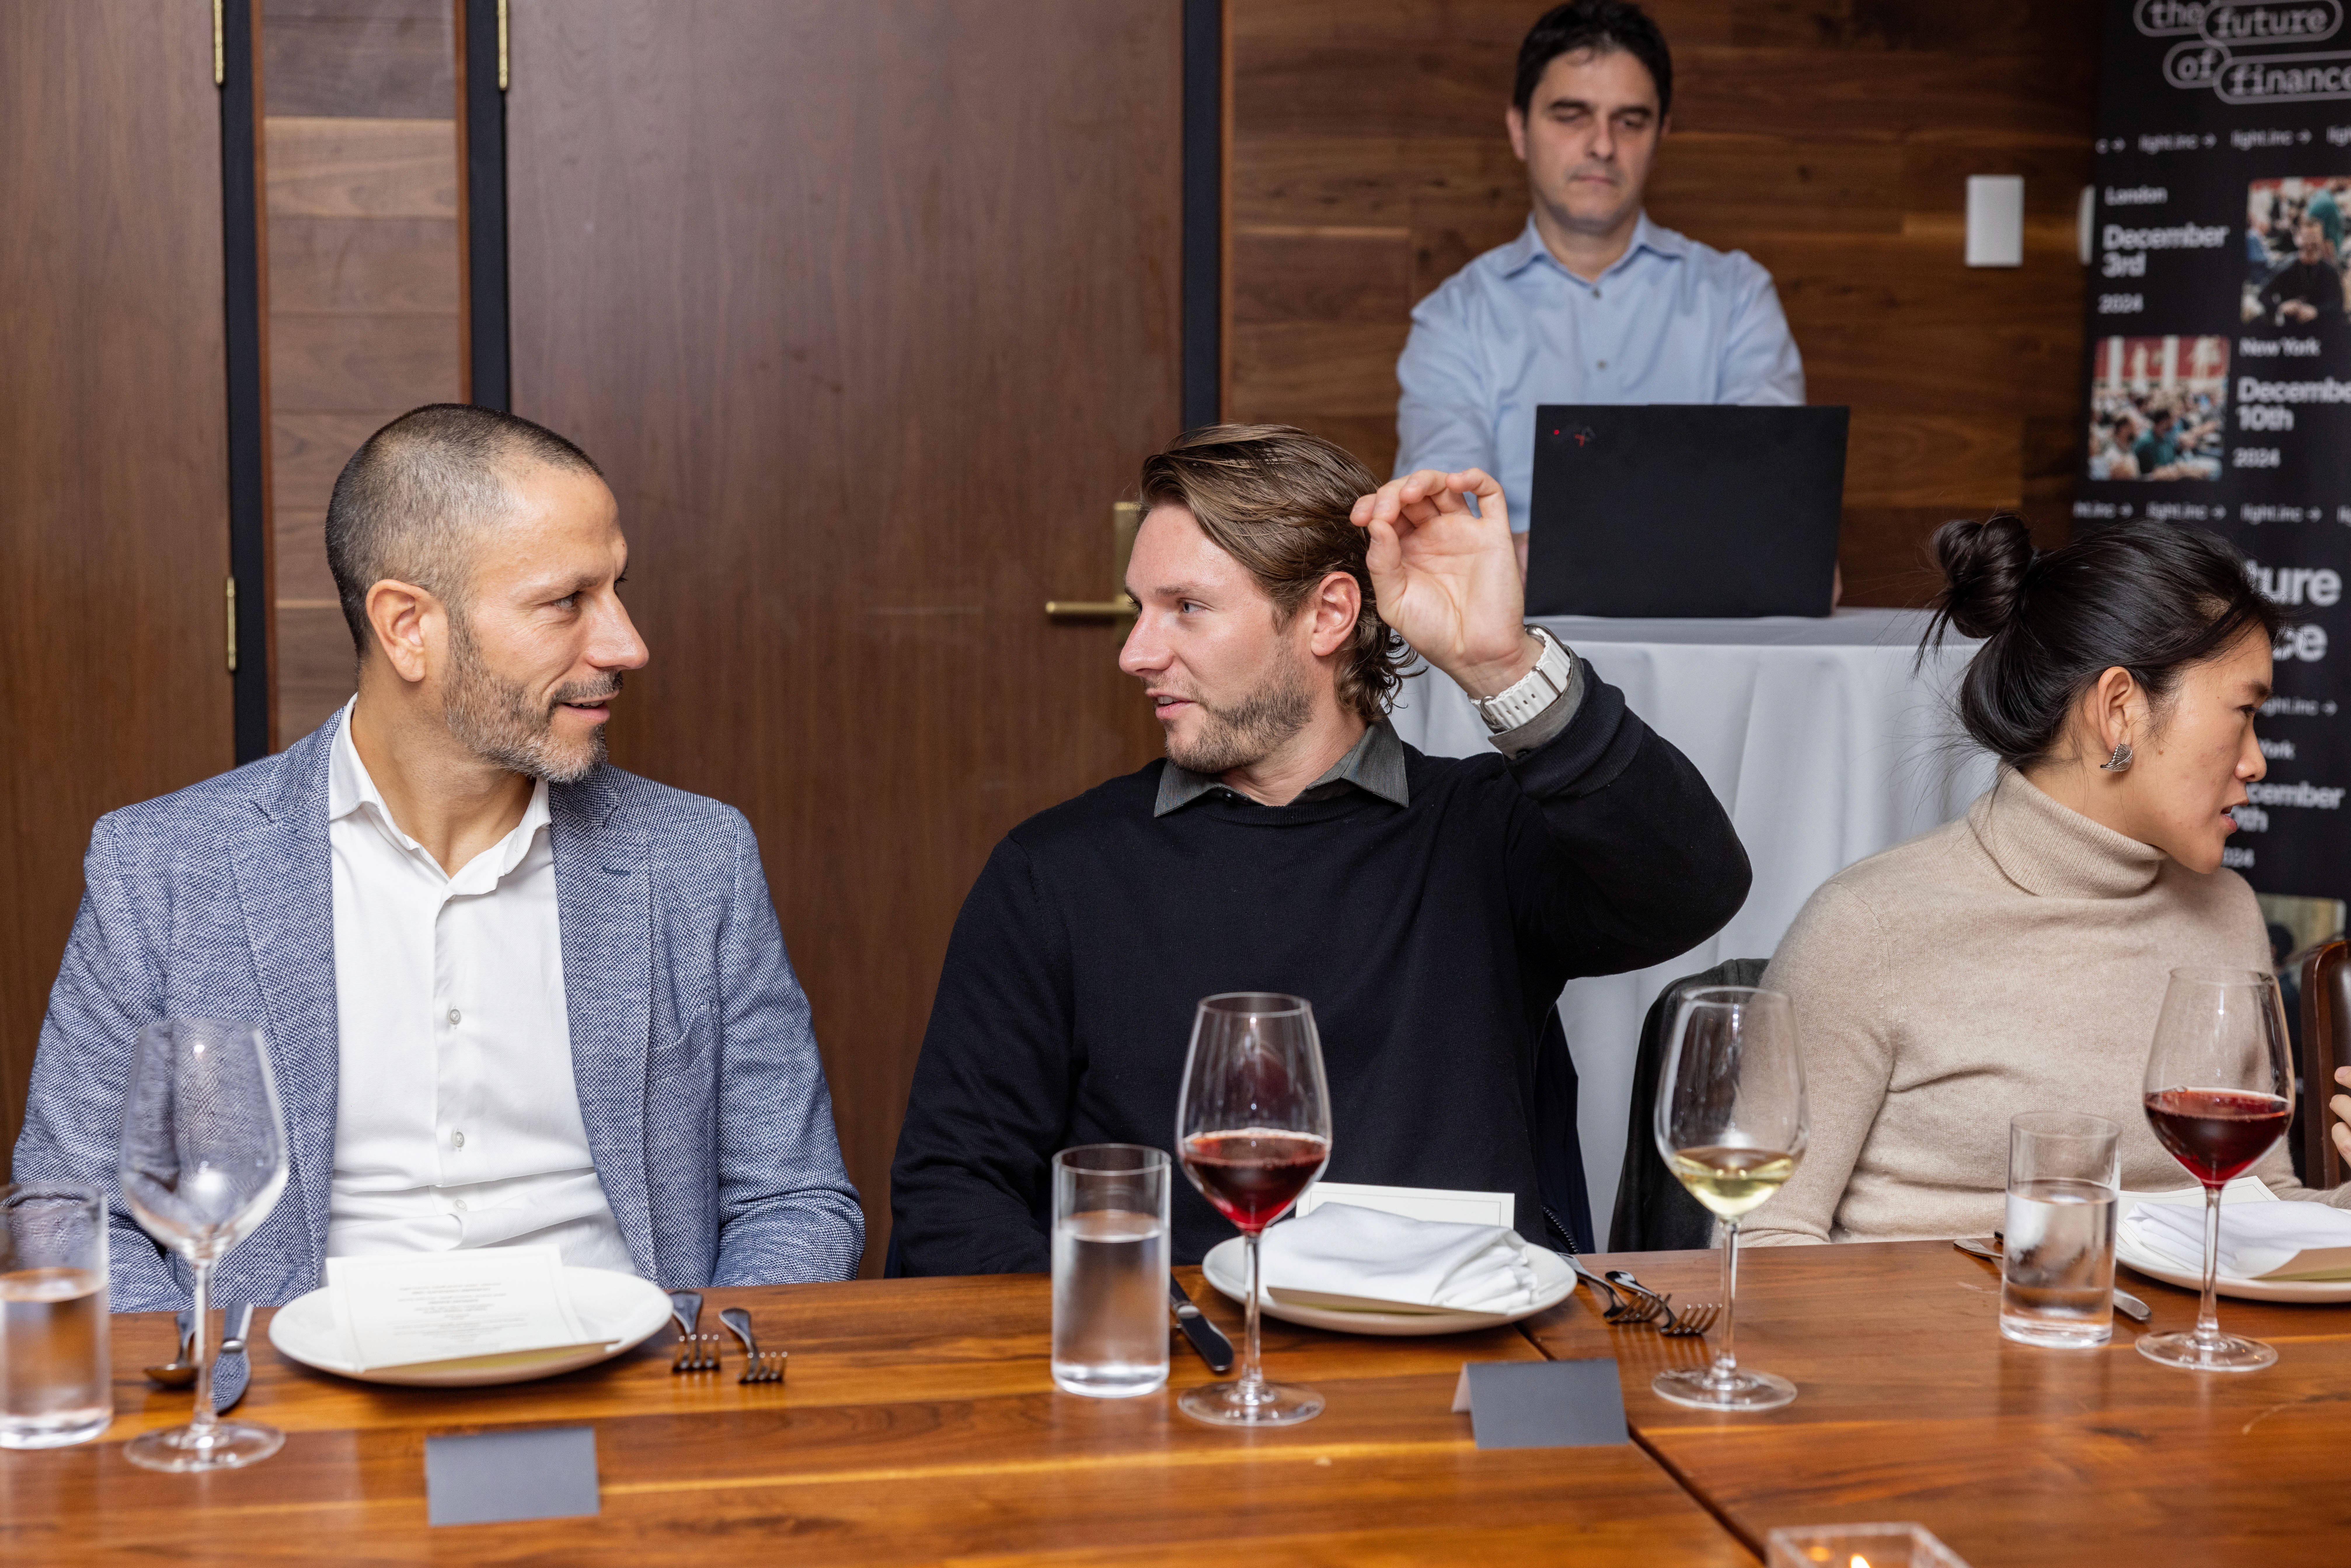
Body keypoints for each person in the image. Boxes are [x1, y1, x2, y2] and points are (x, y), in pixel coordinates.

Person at [12, 404, 864, 1309]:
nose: (626, 645)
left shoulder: (697, 860)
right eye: (566, 601)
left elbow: (796, 1200)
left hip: (631, 1399)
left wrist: (691, 1393)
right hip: (290, 1417)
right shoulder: (162, 869)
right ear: (407, 626)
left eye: (617, 590)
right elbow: (71, 1214)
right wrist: (216, 1401)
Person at [888, 425, 1750, 1272]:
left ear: (1329, 614)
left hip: (1461, 1373)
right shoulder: (1056, 872)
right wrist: (1128, 1341)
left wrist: (1503, 668)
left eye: (1185, 608)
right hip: (1187, 1373)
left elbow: (1695, 884)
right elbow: (951, 1194)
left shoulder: (1484, 834)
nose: (1135, 653)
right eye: (1138, 610)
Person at [1747, 516, 2351, 1247]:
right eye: (2243, 712)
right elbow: (1764, 1247)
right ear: (2118, 708)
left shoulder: (2225, 910)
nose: (2254, 761)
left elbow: (2258, 1211)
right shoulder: (1865, 927)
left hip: (2170, 1357)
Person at [1395, 1, 1803, 572]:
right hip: (1506, 640)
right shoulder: (1453, 318)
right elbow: (1445, 531)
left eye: (1630, 121)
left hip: (1708, 646)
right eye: (1571, 114)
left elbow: (1769, 504)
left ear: (1660, 135)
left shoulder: (1737, 296)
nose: (1603, 145)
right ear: (1518, 129)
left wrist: (1543, 554)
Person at [2260, 217, 2345, 327]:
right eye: (2307, 237)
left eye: (2314, 237)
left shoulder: (2330, 271)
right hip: (2290, 330)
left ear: (2322, 238)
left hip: (2321, 329)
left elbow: (2338, 303)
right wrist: (2281, 307)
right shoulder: (2286, 267)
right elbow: (2263, 295)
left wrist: (2316, 311)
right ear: (2299, 239)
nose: (2310, 242)